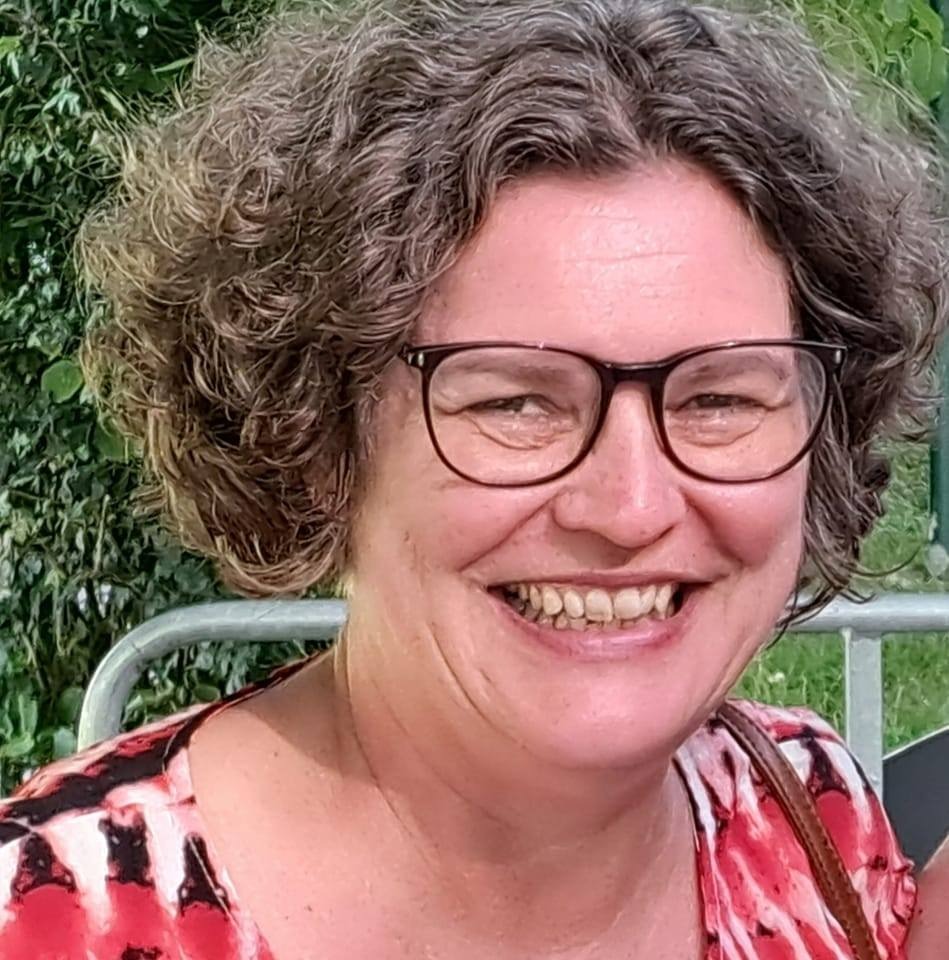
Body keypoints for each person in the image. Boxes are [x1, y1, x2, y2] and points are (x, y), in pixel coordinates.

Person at [2, 1, 945, 957]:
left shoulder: (806, 815)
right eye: (516, 403)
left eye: (719, 399)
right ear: (314, 440)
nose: (630, 508)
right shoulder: (48, 914)